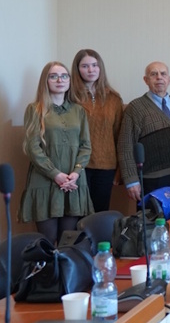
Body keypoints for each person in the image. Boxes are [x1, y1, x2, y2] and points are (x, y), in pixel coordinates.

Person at [19, 61, 94, 244]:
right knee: (48, 241)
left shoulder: (79, 111)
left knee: (68, 241)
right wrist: (56, 175)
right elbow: (32, 148)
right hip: (45, 181)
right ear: (45, 81)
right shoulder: (35, 109)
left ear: (69, 80)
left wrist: (75, 173)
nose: (60, 80)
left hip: (73, 182)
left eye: (64, 76)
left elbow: (86, 145)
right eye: (53, 76)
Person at [118, 62, 170, 201]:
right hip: (154, 181)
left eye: (163, 74)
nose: (159, 77)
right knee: (156, 216)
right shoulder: (135, 109)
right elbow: (125, 146)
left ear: (169, 79)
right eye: (153, 74)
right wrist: (131, 180)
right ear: (146, 80)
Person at [70, 49, 123, 212]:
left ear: (101, 68)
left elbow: (119, 135)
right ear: (77, 69)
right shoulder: (69, 97)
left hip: (105, 166)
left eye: (94, 65)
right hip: (76, 165)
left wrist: (120, 170)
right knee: (77, 213)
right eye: (85, 66)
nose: (91, 70)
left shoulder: (114, 98)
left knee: (100, 212)